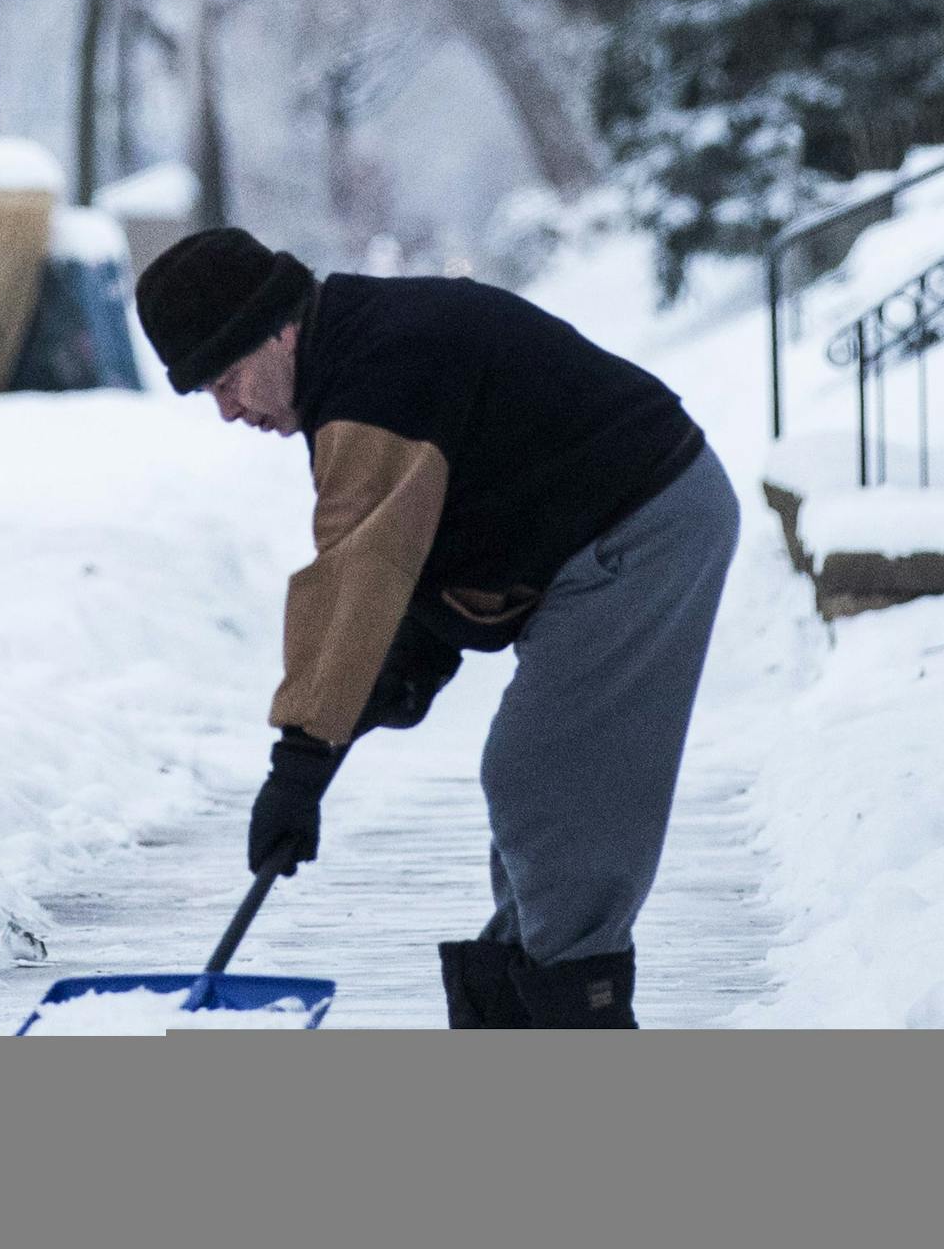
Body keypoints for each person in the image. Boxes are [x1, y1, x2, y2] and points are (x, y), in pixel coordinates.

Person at [136, 227, 739, 1029]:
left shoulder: (376, 373)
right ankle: (517, 1008)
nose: (228, 409)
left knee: (541, 775)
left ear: (277, 326)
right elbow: (431, 524)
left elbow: (356, 567)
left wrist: (301, 763)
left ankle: (576, 1011)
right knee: (541, 798)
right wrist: (409, 651)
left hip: (645, 524)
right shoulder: (353, 354)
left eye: (228, 378)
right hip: (601, 535)